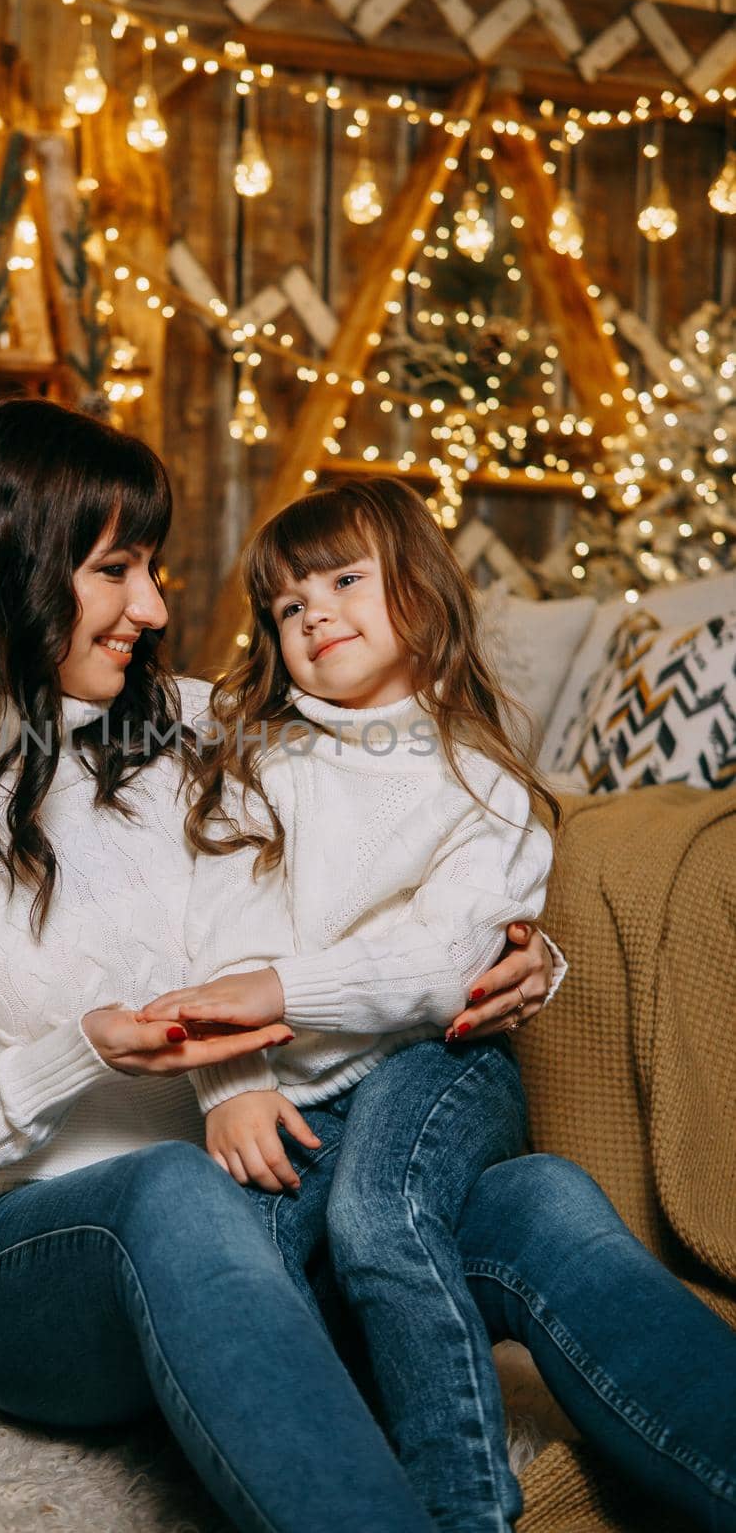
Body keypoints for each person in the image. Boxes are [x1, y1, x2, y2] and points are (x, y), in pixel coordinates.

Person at [0, 400, 736, 1533]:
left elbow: (426, 805)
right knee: (168, 1185)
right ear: (7, 570)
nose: (154, 606)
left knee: (533, 1198)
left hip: (265, 1217)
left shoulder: (197, 723)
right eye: (116, 569)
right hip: (24, 1271)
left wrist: (520, 955)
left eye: (153, 568)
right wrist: (73, 1053)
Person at [136, 477, 561, 1533]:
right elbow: (211, 937)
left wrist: (278, 991)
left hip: (440, 1061)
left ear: (418, 592)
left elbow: (448, 959)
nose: (312, 611)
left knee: (378, 1216)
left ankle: (464, 1507)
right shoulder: (252, 757)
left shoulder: (479, 780)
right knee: (246, 1273)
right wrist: (227, 1083)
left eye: (341, 580)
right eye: (286, 604)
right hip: (294, 1090)